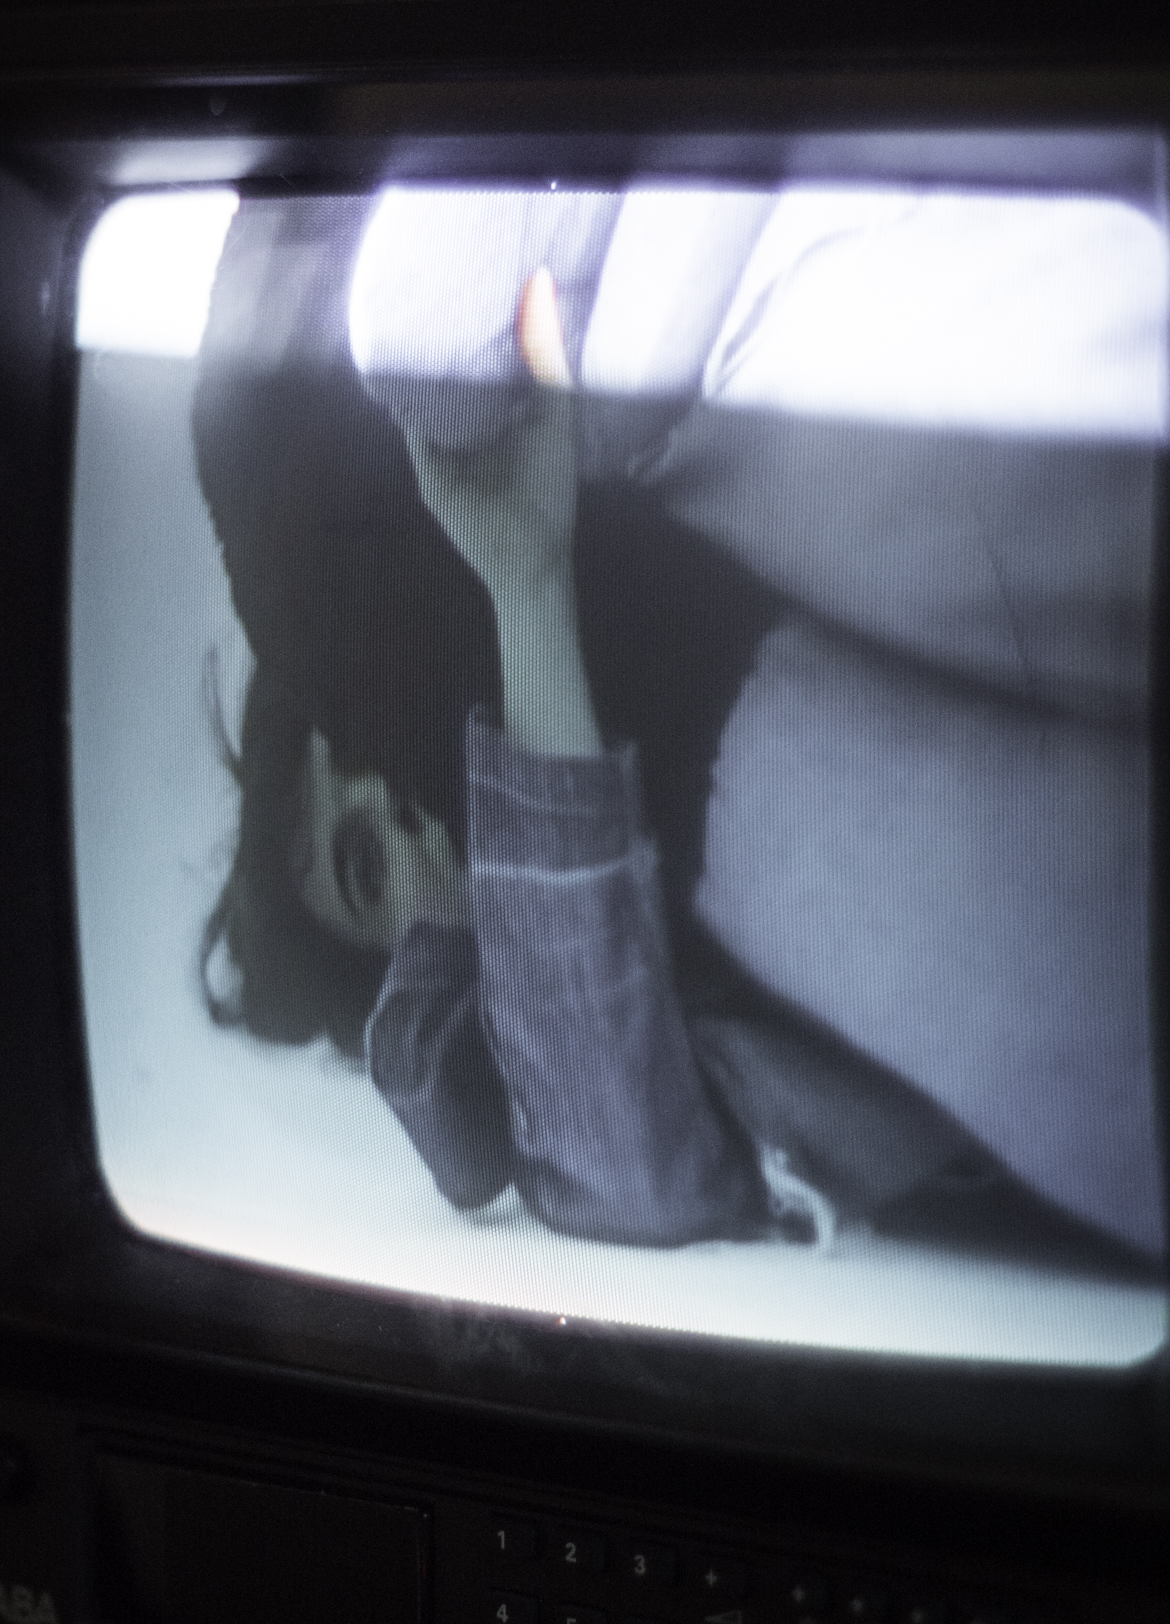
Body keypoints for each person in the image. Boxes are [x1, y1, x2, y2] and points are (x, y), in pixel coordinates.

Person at [192, 184, 1165, 1266]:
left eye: (362, 757)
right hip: (754, 771)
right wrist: (524, 592)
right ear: (412, 963)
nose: (398, 808)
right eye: (366, 863)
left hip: (743, 574)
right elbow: (626, 1174)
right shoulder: (566, 1054)